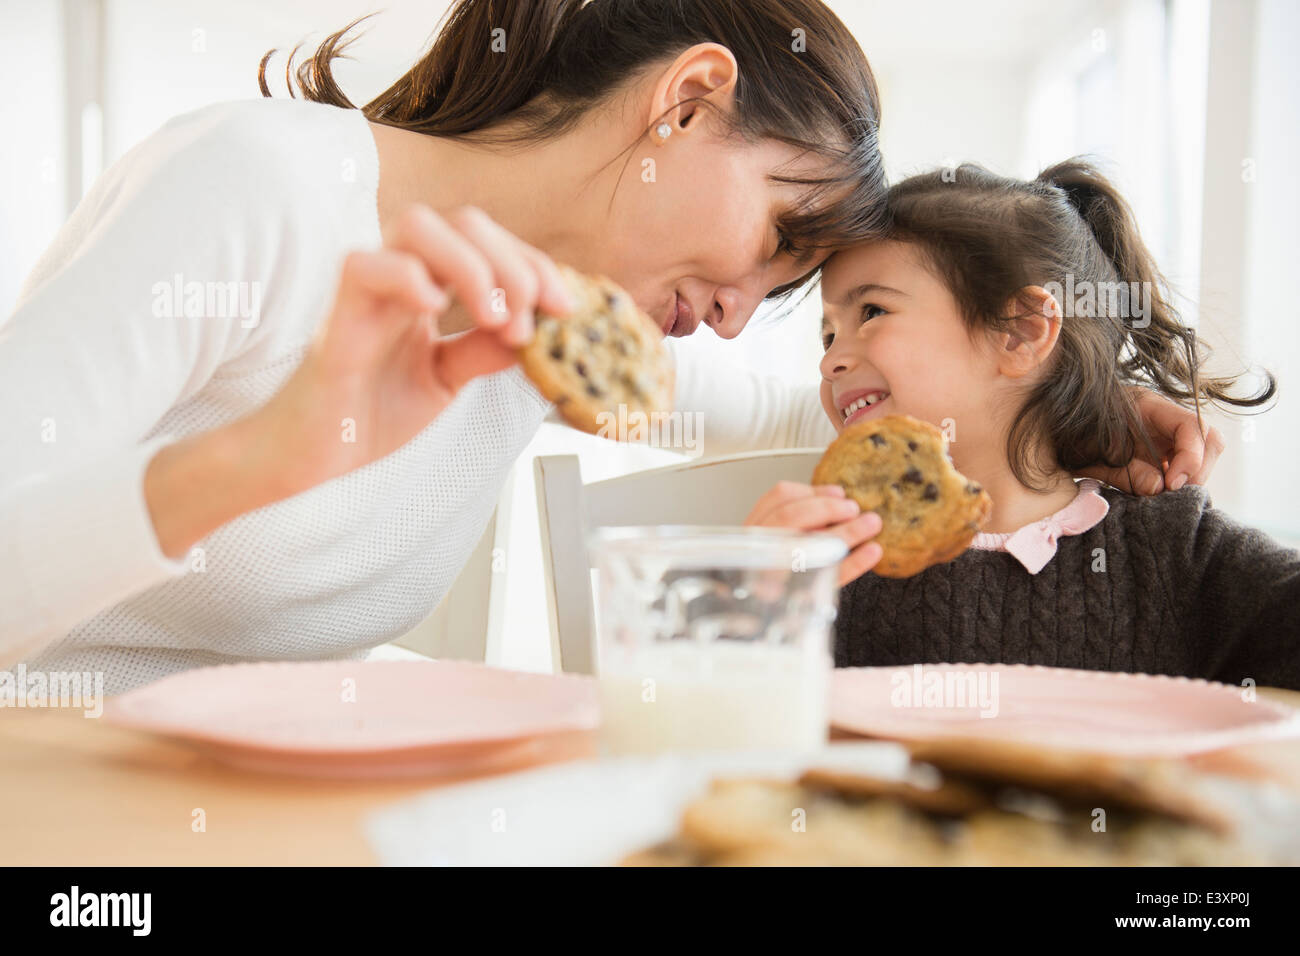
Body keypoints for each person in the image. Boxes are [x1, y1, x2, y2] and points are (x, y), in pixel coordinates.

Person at [0, 0, 1218, 693]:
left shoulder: (555, 329)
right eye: (775, 239)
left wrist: (1080, 411)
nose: (740, 314)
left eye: (784, 293)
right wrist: (268, 454)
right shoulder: (253, 188)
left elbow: (833, 411)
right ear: (685, 102)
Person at [747, 160, 1297, 689]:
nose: (830, 362)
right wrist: (753, 605)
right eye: (828, 336)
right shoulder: (824, 559)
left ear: (1020, 333)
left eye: (871, 313)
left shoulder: (1174, 548)